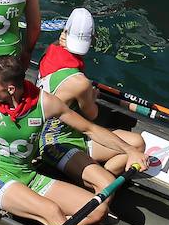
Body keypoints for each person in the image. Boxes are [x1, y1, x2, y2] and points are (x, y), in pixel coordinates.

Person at [0, 54, 140, 225]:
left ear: (10, 89)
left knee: (98, 209)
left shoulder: (45, 103)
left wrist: (130, 150)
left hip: (29, 176)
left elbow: (90, 129)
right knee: (52, 210)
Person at [38, 9, 147, 178]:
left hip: (57, 129)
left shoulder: (50, 50)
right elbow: (92, 114)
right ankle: (103, 177)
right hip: (57, 141)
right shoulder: (80, 83)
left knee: (135, 143)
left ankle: (94, 174)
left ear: (65, 34)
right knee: (137, 145)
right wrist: (92, 96)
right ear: (93, 38)